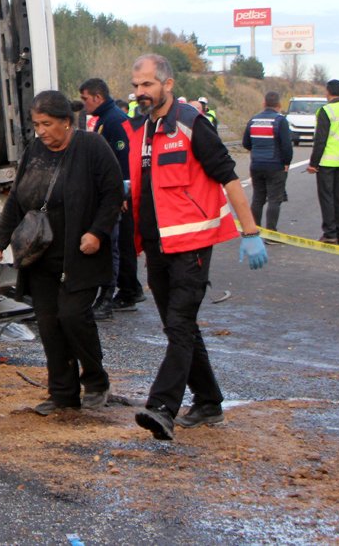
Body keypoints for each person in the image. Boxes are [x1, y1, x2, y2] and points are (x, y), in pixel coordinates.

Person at [126, 54, 267, 441]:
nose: (141, 93)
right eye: (137, 86)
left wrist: (250, 230)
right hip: (157, 244)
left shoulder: (191, 124)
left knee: (180, 324)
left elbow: (229, 177)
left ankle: (161, 408)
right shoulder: (142, 130)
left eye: (148, 85)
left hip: (193, 243)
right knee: (178, 327)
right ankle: (208, 402)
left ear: (167, 85)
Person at [0, 90, 123, 416]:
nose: (42, 131)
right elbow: (18, 201)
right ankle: (62, 393)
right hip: (41, 256)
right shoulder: (35, 151)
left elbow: (113, 192)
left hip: (80, 253)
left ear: (66, 121)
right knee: (48, 325)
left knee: (73, 317)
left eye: (47, 124)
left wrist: (97, 232)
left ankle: (95, 381)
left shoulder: (91, 147)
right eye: (37, 125)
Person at [79, 78, 144, 318]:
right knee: (123, 244)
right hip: (114, 192)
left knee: (120, 246)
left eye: (86, 99)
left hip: (119, 194)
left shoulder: (115, 121)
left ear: (97, 97)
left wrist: (123, 193)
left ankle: (125, 293)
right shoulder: (106, 119)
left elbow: (123, 160)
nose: (84, 104)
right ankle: (131, 289)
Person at [307, 79, 339, 244]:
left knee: (326, 197)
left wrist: (313, 164)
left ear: (327, 92)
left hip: (327, 162)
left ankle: (329, 233)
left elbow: (320, 140)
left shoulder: (325, 111)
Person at [241, 91, 293, 235]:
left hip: (256, 165)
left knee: (258, 198)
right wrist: (286, 162)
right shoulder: (280, 121)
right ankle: (271, 233)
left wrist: (257, 151)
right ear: (279, 105)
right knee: (274, 200)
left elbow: (246, 142)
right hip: (275, 165)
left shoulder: (253, 120)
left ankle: (254, 230)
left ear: (264, 104)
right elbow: (286, 146)